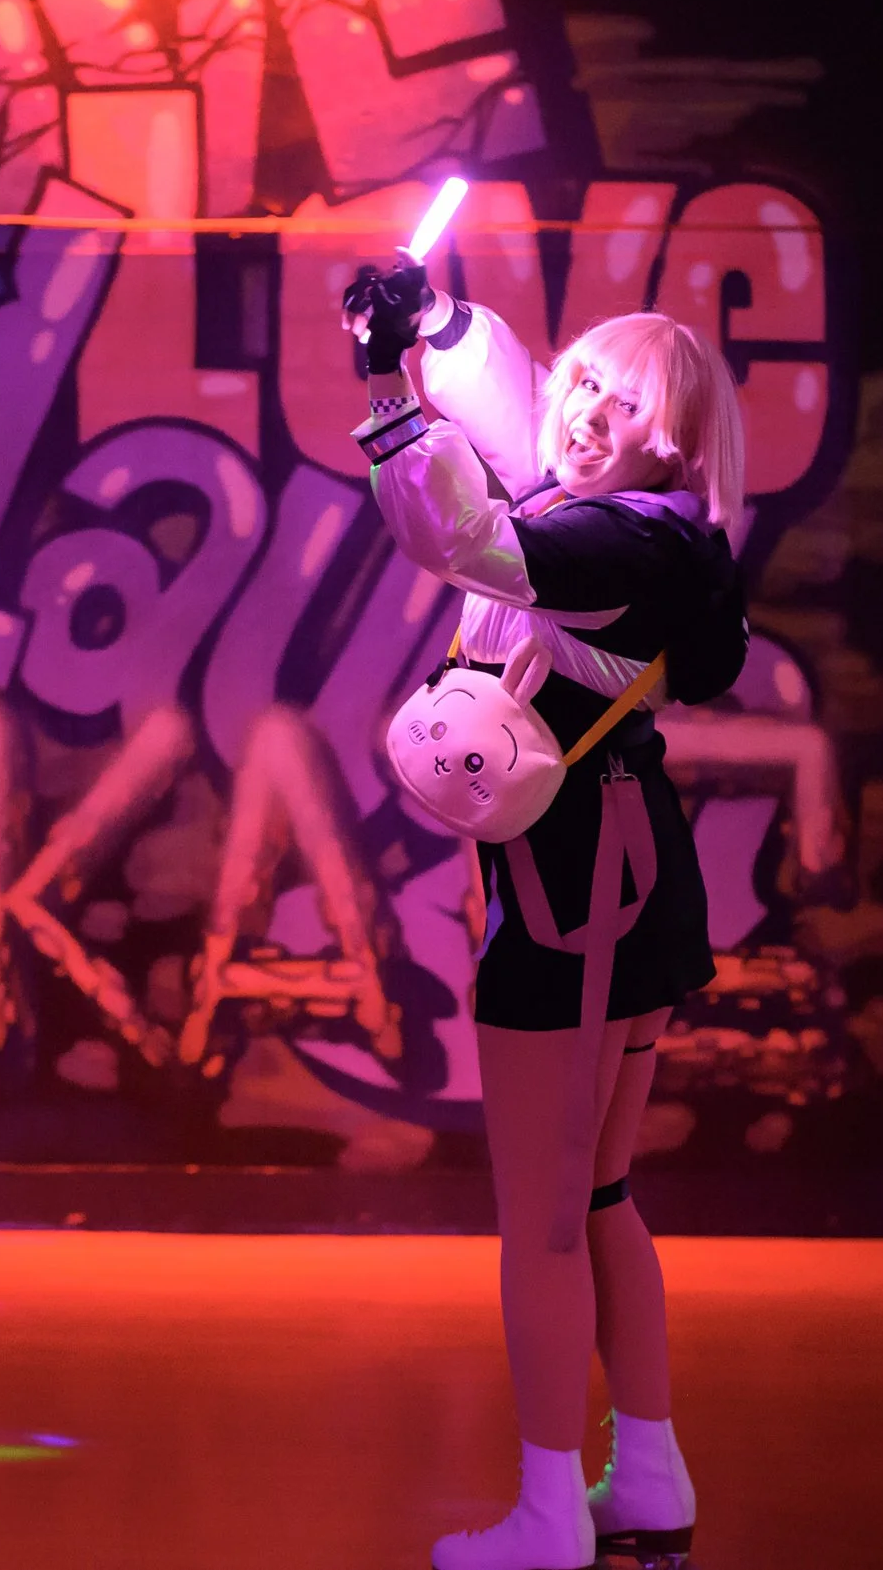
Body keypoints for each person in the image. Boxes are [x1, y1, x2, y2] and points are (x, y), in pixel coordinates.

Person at [346, 260, 747, 1570]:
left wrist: (384, 391)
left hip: (578, 903)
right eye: (581, 384)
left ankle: (545, 1513)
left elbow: (469, 539)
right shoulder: (642, 521)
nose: (578, 413)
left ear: (670, 438)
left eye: (614, 403)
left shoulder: (615, 540)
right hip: (618, 883)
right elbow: (514, 399)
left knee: (539, 1222)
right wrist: (438, 323)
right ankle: (649, 1477)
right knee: (604, 1196)